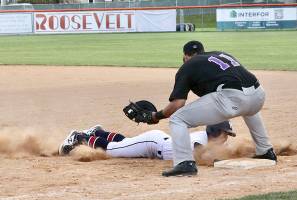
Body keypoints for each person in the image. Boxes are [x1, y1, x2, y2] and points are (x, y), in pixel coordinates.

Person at [141, 40, 277, 177]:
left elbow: (177, 104)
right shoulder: (221, 55)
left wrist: (156, 116)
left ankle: (185, 163)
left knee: (177, 119)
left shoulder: (188, 65)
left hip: (232, 98)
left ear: (185, 56)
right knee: (248, 108)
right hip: (258, 96)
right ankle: (266, 150)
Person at [58, 121, 236, 161]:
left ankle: (99, 133)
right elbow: (203, 155)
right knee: (113, 150)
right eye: (225, 133)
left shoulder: (213, 141)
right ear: (214, 131)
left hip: (156, 144)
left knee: (126, 143)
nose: (226, 137)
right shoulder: (200, 141)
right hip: (153, 144)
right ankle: (80, 137)